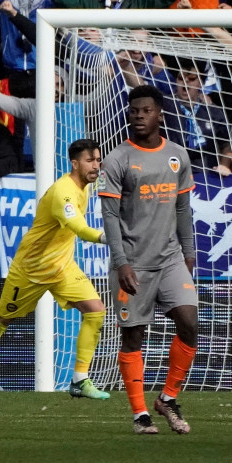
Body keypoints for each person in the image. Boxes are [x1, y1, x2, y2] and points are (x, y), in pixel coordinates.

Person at [0, 138, 110, 402]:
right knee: (0, 322)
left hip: (62, 267)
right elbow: (78, 228)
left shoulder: (85, 186)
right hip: (30, 270)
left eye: (98, 159)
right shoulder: (63, 193)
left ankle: (80, 379)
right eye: (90, 160)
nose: (96, 165)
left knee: (96, 311)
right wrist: (105, 237)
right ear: (75, 164)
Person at [99, 85, 198, 435]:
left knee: (189, 322)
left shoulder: (177, 155)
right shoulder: (116, 159)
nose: (138, 116)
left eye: (145, 111)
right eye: (133, 111)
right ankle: (140, 413)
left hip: (171, 258)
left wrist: (189, 252)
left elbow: (183, 207)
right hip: (133, 263)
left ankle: (168, 397)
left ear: (159, 114)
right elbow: (109, 216)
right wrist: (122, 263)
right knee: (133, 337)